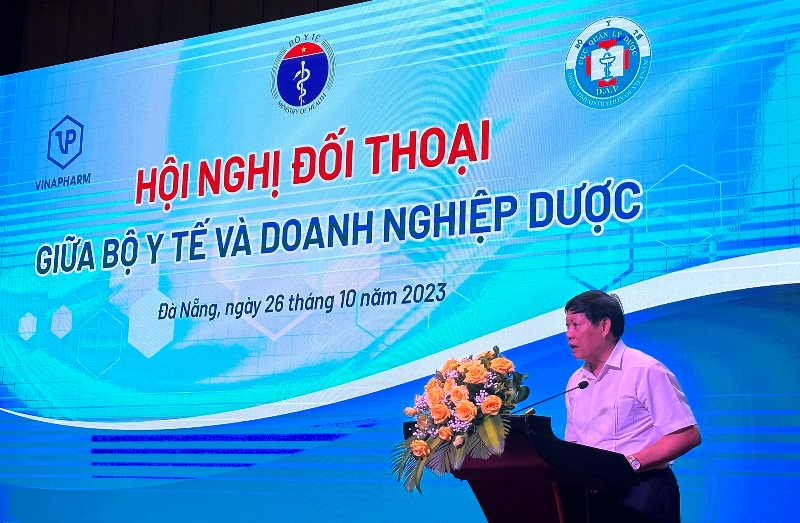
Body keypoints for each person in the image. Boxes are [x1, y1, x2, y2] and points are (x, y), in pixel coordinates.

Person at [564, 290, 701, 523]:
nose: (569, 334)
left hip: (644, 491)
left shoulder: (645, 370)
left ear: (604, 326)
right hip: (595, 497)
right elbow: (574, 444)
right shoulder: (577, 382)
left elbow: (687, 435)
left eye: (575, 325)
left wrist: (628, 465)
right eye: (567, 326)